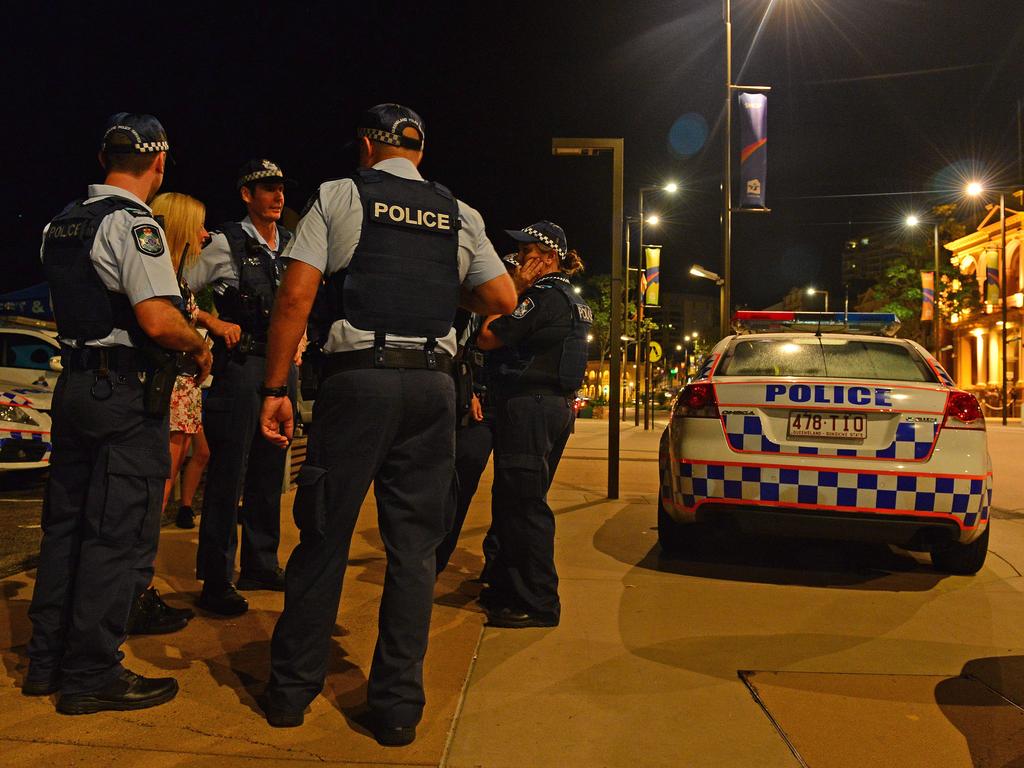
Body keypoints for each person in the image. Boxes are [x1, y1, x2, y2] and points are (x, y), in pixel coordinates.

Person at [256, 104, 516, 745]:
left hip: (359, 381)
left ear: (368, 147)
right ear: (419, 152)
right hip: (433, 385)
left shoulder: (341, 195)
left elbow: (295, 295)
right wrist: (441, 287)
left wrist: (273, 388)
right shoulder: (460, 213)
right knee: (414, 550)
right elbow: (503, 300)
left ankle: (291, 693)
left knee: (325, 533)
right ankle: (398, 707)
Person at [25, 113, 212, 714]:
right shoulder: (134, 225)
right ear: (159, 163)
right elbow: (158, 319)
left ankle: (46, 662)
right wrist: (199, 343)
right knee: (116, 534)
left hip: (74, 386)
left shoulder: (61, 224)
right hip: (123, 395)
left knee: (66, 529)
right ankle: (91, 674)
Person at [186, 159, 298, 615]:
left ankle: (261, 563)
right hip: (242, 366)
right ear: (246, 195)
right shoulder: (225, 242)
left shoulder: (291, 244)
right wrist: (212, 320)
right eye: (267, 188)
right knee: (229, 472)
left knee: (271, 469)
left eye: (281, 188)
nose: (278, 196)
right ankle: (215, 578)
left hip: (281, 369)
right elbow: (178, 291)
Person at [475, 221, 592, 629]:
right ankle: (510, 586)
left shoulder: (540, 297)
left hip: (530, 406)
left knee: (524, 505)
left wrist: (512, 292)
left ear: (547, 258)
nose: (520, 260)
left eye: (525, 253)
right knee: (519, 499)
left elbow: (488, 337)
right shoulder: (571, 298)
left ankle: (537, 601)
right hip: (553, 408)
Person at [434, 254, 519, 578]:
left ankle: (495, 567)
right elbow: (457, 351)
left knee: (509, 492)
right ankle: (435, 558)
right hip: (477, 405)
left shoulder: (530, 305)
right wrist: (467, 390)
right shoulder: (469, 308)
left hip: (508, 404)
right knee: (458, 484)